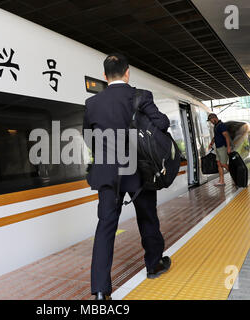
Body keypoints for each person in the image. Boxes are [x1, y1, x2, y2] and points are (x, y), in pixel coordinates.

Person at [83, 53, 171, 300]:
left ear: (104, 76)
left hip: (107, 173)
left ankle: (101, 291)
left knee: (105, 227)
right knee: (148, 218)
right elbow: (162, 124)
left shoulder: (92, 103)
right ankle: (153, 264)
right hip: (138, 171)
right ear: (127, 72)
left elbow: (88, 136)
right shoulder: (141, 96)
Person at [207, 113, 231, 186]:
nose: (210, 122)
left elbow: (226, 136)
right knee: (219, 164)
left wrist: (228, 147)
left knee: (223, 164)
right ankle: (221, 181)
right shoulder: (216, 126)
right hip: (218, 148)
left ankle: (235, 174)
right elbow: (216, 136)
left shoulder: (221, 125)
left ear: (214, 118)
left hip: (223, 147)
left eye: (210, 120)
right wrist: (211, 143)